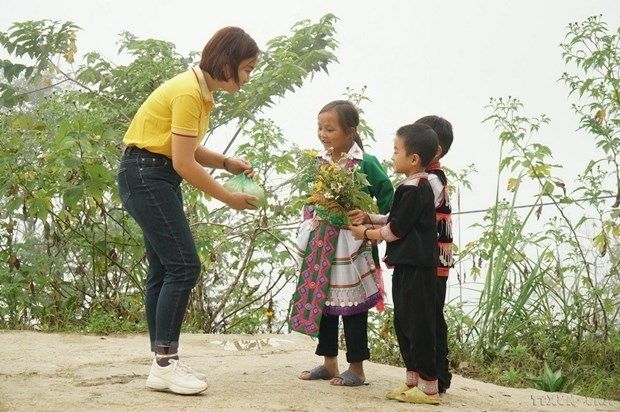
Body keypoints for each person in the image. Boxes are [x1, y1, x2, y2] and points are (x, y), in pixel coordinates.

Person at [117, 26, 259, 395]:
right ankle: (165, 362)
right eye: (246, 68)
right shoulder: (188, 93)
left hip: (149, 173)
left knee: (165, 267)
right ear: (226, 63)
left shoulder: (197, 90)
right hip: (149, 175)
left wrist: (226, 162)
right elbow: (182, 161)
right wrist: (228, 197)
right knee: (184, 265)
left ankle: (163, 360)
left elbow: (184, 148)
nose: (247, 78)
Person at [290, 100, 394, 386]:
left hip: (352, 244)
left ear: (350, 131)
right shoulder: (320, 162)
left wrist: (372, 222)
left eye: (330, 129)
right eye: (320, 128)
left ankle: (357, 368)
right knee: (323, 300)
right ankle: (329, 363)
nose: (323, 134)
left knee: (354, 304)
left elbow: (390, 199)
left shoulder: (366, 163)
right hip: (321, 242)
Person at [350, 123, 441, 404]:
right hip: (405, 265)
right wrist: (370, 216)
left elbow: (395, 230)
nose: (392, 156)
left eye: (396, 150)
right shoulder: (409, 186)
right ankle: (412, 381)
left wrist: (366, 233)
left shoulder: (418, 187)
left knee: (420, 324)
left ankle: (429, 387)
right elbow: (393, 218)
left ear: (413, 158)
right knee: (405, 323)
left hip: (418, 266)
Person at [415, 115, 455, 394]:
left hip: (431, 261)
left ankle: (437, 375)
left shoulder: (430, 180)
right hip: (437, 259)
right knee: (432, 315)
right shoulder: (433, 178)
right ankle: (438, 374)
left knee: (429, 318)